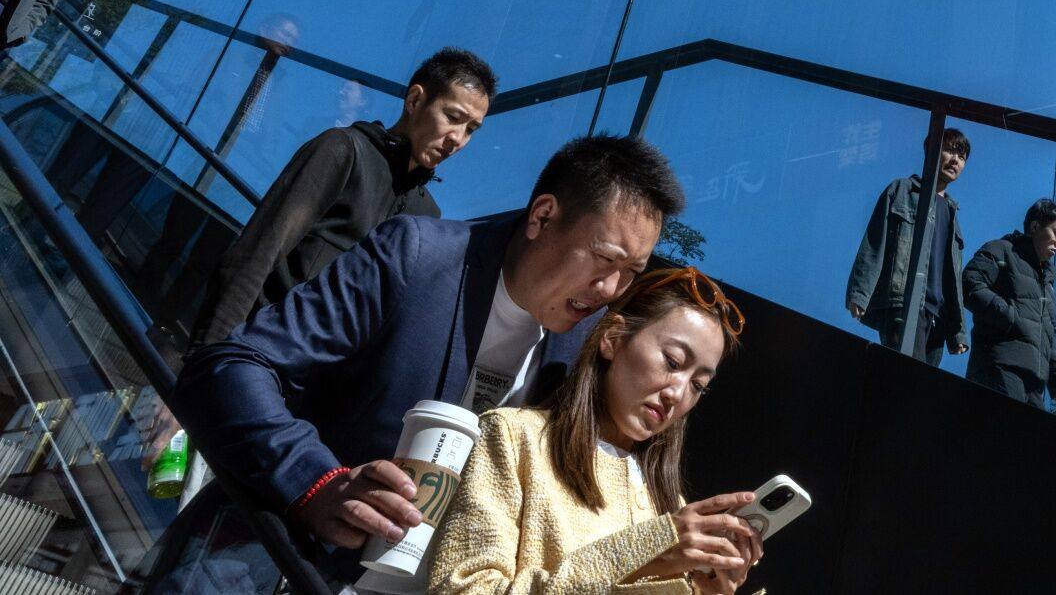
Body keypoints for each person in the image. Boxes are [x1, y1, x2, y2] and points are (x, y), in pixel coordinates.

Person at [171, 133, 686, 582]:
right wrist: (316, 483)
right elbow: (229, 365)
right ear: (543, 215)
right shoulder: (415, 257)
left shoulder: (582, 341)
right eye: (605, 259)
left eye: (631, 273)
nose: (610, 288)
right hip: (270, 560)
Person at [429, 267, 763, 595]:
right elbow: (461, 590)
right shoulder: (514, 438)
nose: (677, 393)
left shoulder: (669, 504)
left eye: (698, 385)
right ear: (613, 339)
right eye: (673, 362)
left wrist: (707, 592)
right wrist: (643, 551)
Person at [189, 45, 497, 346]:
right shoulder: (344, 151)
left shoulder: (426, 215)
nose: (458, 138)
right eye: (453, 117)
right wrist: (208, 354)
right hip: (257, 352)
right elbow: (258, 251)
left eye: (471, 129)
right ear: (415, 100)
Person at [844, 128, 970, 367]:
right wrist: (860, 293)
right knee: (905, 381)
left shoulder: (953, 213)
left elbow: (952, 279)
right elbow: (875, 241)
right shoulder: (902, 191)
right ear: (931, 150)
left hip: (937, 318)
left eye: (962, 156)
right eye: (950, 151)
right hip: (904, 302)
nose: (956, 160)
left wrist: (958, 331)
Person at [962, 198, 1056, 407]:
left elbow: (1049, 335)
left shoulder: (1048, 284)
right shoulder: (1002, 250)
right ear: (1035, 227)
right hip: (1000, 367)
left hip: (1034, 384)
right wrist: (1011, 317)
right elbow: (970, 284)